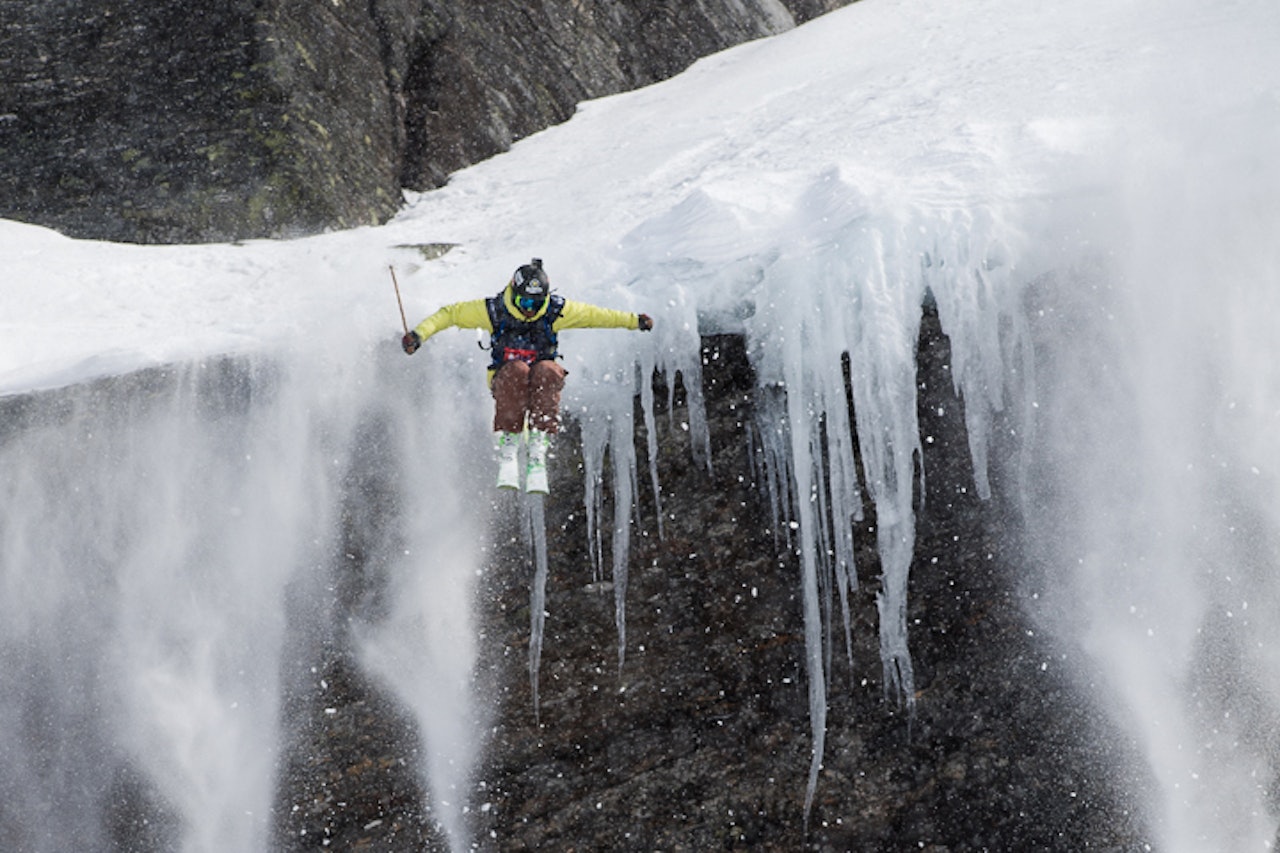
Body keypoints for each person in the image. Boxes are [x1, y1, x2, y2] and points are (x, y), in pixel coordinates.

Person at [401, 258, 653, 494]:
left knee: (548, 370)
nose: (530, 310)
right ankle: (509, 445)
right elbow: (450, 314)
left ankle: (537, 446)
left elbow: (595, 316)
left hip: (541, 383)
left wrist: (634, 321)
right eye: (525, 303)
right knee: (518, 370)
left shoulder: (556, 311)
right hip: (507, 380)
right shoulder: (494, 310)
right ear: (514, 294)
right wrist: (419, 335)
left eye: (536, 304)